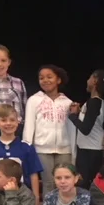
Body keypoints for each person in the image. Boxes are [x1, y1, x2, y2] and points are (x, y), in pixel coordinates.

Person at [0, 104, 42, 205]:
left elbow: (33, 174)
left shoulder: (26, 147)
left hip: (22, 196)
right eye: (3, 120)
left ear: (18, 122)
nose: (8, 123)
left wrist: (36, 197)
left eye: (12, 120)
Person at [23, 65, 73, 194]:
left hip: (64, 150)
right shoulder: (34, 100)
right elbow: (29, 126)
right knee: (49, 183)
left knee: (64, 183)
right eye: (41, 78)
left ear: (58, 80)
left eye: (49, 77)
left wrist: (73, 151)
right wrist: (27, 148)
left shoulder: (67, 102)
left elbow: (72, 130)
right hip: (42, 149)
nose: (45, 80)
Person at [68, 69, 104, 189]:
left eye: (89, 78)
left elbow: (86, 129)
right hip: (88, 148)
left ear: (94, 80)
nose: (87, 81)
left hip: (91, 150)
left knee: (86, 184)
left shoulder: (95, 102)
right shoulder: (93, 102)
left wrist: (73, 116)